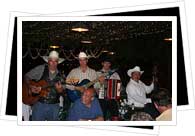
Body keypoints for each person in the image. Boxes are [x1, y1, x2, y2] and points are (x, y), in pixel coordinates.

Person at [23, 50, 67, 121]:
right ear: (48, 61)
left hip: (54, 106)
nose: (53, 63)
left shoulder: (61, 75)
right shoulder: (41, 69)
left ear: (58, 62)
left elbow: (63, 92)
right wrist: (30, 86)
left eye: (55, 61)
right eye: (51, 61)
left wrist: (60, 90)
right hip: (39, 104)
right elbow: (27, 76)